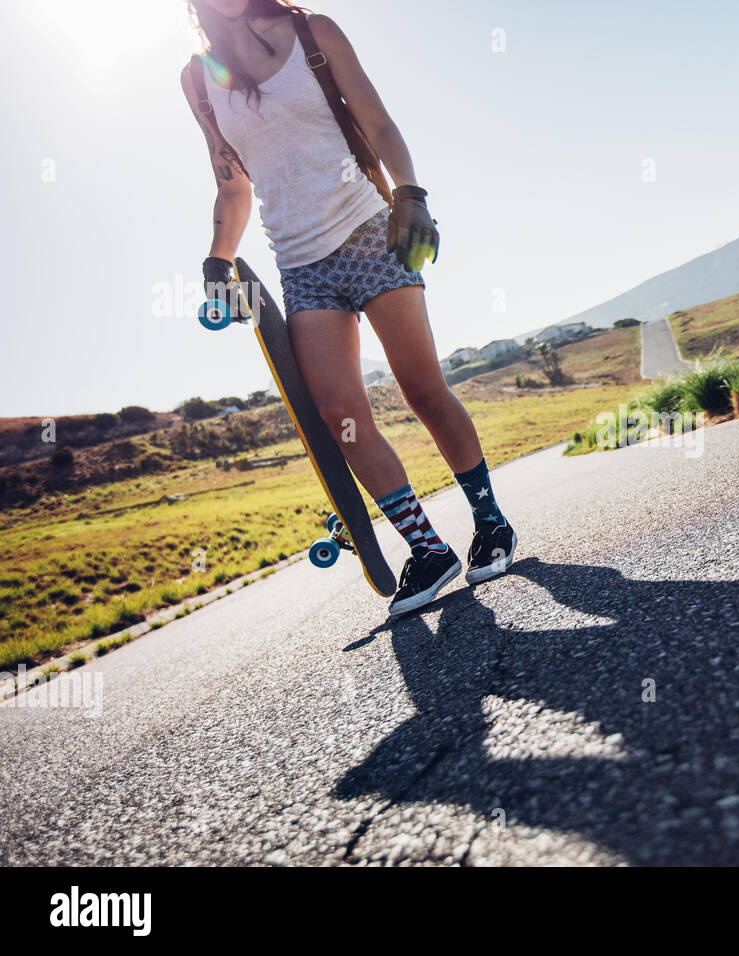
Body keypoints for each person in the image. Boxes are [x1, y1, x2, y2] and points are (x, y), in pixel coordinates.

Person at [181, 0, 516, 615]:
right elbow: (233, 184)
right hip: (300, 264)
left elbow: (378, 123)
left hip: (367, 229)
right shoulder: (197, 78)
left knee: (421, 388)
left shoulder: (313, 31)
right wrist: (215, 263)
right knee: (340, 413)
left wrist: (410, 195)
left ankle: (490, 521)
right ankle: (428, 549)